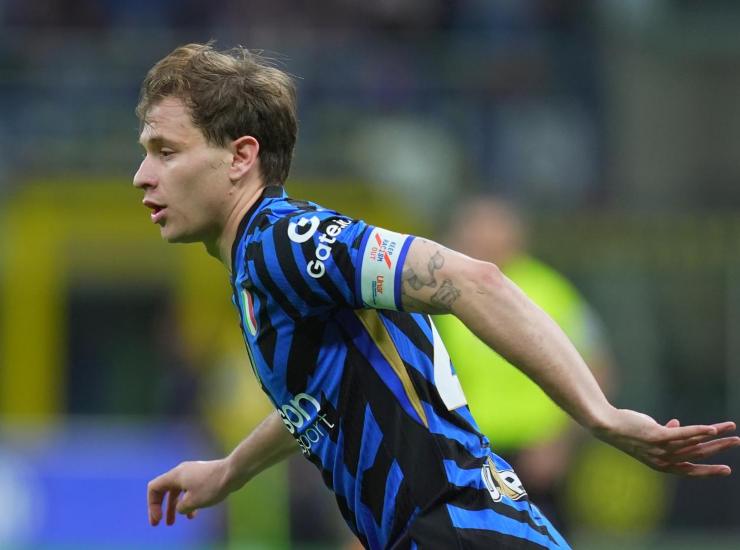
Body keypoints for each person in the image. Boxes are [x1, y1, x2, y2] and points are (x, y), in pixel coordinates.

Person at [134, 43, 739, 550]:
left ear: (241, 156)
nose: (143, 174)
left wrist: (599, 416)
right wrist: (230, 470)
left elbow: (474, 280)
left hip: (458, 528)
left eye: (166, 151)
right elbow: (319, 401)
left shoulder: (287, 241)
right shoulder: (263, 266)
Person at [434, 196, 615, 533]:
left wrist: (559, 443)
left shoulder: (550, 291)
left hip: (534, 454)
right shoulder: (444, 293)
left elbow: (599, 367)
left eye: (492, 230)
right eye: (473, 230)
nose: (481, 239)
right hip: (469, 452)